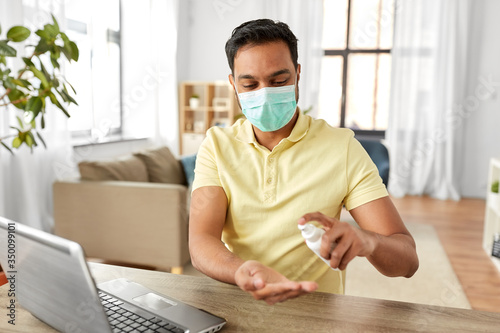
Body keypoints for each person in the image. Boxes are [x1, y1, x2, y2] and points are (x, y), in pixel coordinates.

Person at [188, 19, 419, 305]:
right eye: (249, 84)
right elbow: (200, 241)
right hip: (238, 304)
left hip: (316, 313)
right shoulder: (217, 145)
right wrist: (241, 271)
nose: (265, 94)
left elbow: (407, 261)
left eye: (279, 81)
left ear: (298, 74)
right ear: (233, 84)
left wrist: (369, 241)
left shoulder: (341, 148)